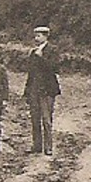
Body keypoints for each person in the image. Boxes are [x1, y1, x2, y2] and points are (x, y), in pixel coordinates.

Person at [23, 25, 61, 155]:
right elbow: (31, 73)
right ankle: (37, 145)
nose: (36, 38)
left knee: (46, 119)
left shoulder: (52, 50)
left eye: (38, 36)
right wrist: (27, 91)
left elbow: (54, 68)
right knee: (34, 119)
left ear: (45, 36)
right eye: (35, 36)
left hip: (47, 91)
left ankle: (48, 147)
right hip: (34, 90)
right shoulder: (33, 52)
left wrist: (41, 57)